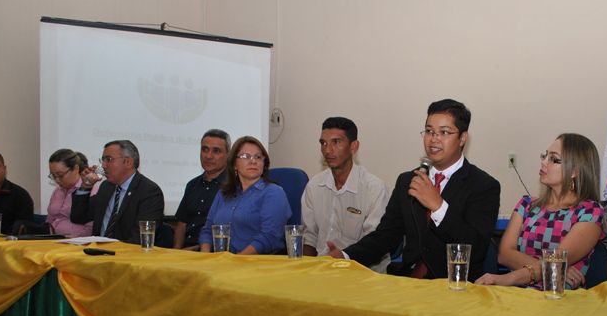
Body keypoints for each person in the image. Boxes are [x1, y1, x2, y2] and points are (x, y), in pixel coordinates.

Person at [328, 99, 500, 281]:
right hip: (409, 281)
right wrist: (346, 256)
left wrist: (438, 206)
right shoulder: (408, 181)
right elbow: (386, 235)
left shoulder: (483, 185)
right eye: (429, 131)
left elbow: (476, 248)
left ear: (462, 138)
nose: (434, 139)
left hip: (454, 285)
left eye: (444, 132)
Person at [475, 133, 605, 288]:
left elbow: (556, 260)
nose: (544, 162)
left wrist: (506, 279)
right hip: (518, 295)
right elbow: (504, 255)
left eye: (554, 159)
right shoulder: (527, 204)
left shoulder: (590, 212)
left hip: (559, 300)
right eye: (545, 156)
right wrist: (553, 267)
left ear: (574, 171)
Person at [301, 117, 389, 271]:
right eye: (323, 143)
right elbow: (309, 237)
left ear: (353, 147)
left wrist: (343, 257)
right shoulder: (314, 186)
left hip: (362, 272)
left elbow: (375, 244)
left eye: (336, 142)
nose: (328, 150)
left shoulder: (374, 189)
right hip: (321, 270)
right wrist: (306, 269)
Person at [199, 136, 291, 254]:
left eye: (258, 157)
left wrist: (236, 260)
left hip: (254, 263)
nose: (253, 161)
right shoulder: (223, 193)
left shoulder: (273, 193)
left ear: (264, 163)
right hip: (220, 262)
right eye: (246, 156)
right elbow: (208, 230)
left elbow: (269, 237)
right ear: (234, 164)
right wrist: (205, 257)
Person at [71, 140, 164, 244]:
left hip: (126, 255)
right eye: (102, 160)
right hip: (97, 252)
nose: (103, 165)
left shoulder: (149, 192)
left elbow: (139, 239)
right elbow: (78, 217)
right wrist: (85, 187)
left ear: (128, 162)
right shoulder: (106, 187)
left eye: (108, 159)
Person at [173, 129, 231, 249]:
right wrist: (176, 252)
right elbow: (181, 224)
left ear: (228, 156)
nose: (208, 156)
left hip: (212, 251)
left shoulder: (233, 186)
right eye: (204, 149)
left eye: (216, 151)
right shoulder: (192, 185)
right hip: (185, 252)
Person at [45, 149, 97, 236]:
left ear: (76, 169)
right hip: (51, 240)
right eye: (53, 176)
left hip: (77, 243)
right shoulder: (57, 191)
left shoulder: (90, 190)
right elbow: (50, 219)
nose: (57, 180)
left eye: (60, 175)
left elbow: (91, 227)